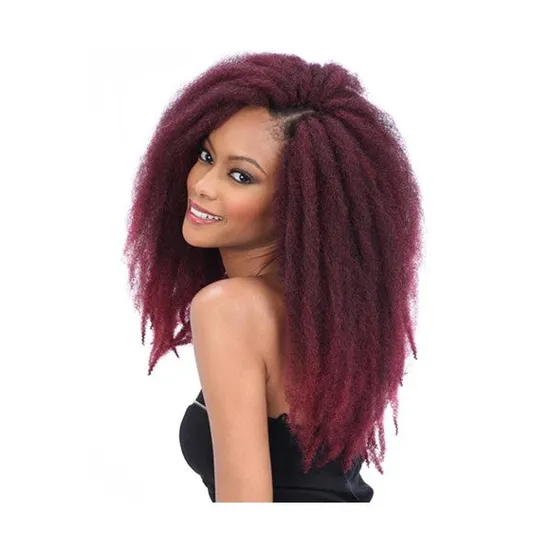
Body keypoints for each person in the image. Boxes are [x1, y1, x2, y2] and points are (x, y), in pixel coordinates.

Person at [123, 51, 424, 502]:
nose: (203, 184)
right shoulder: (323, 316)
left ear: (299, 204)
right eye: (206, 155)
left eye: (240, 176)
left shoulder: (228, 308)